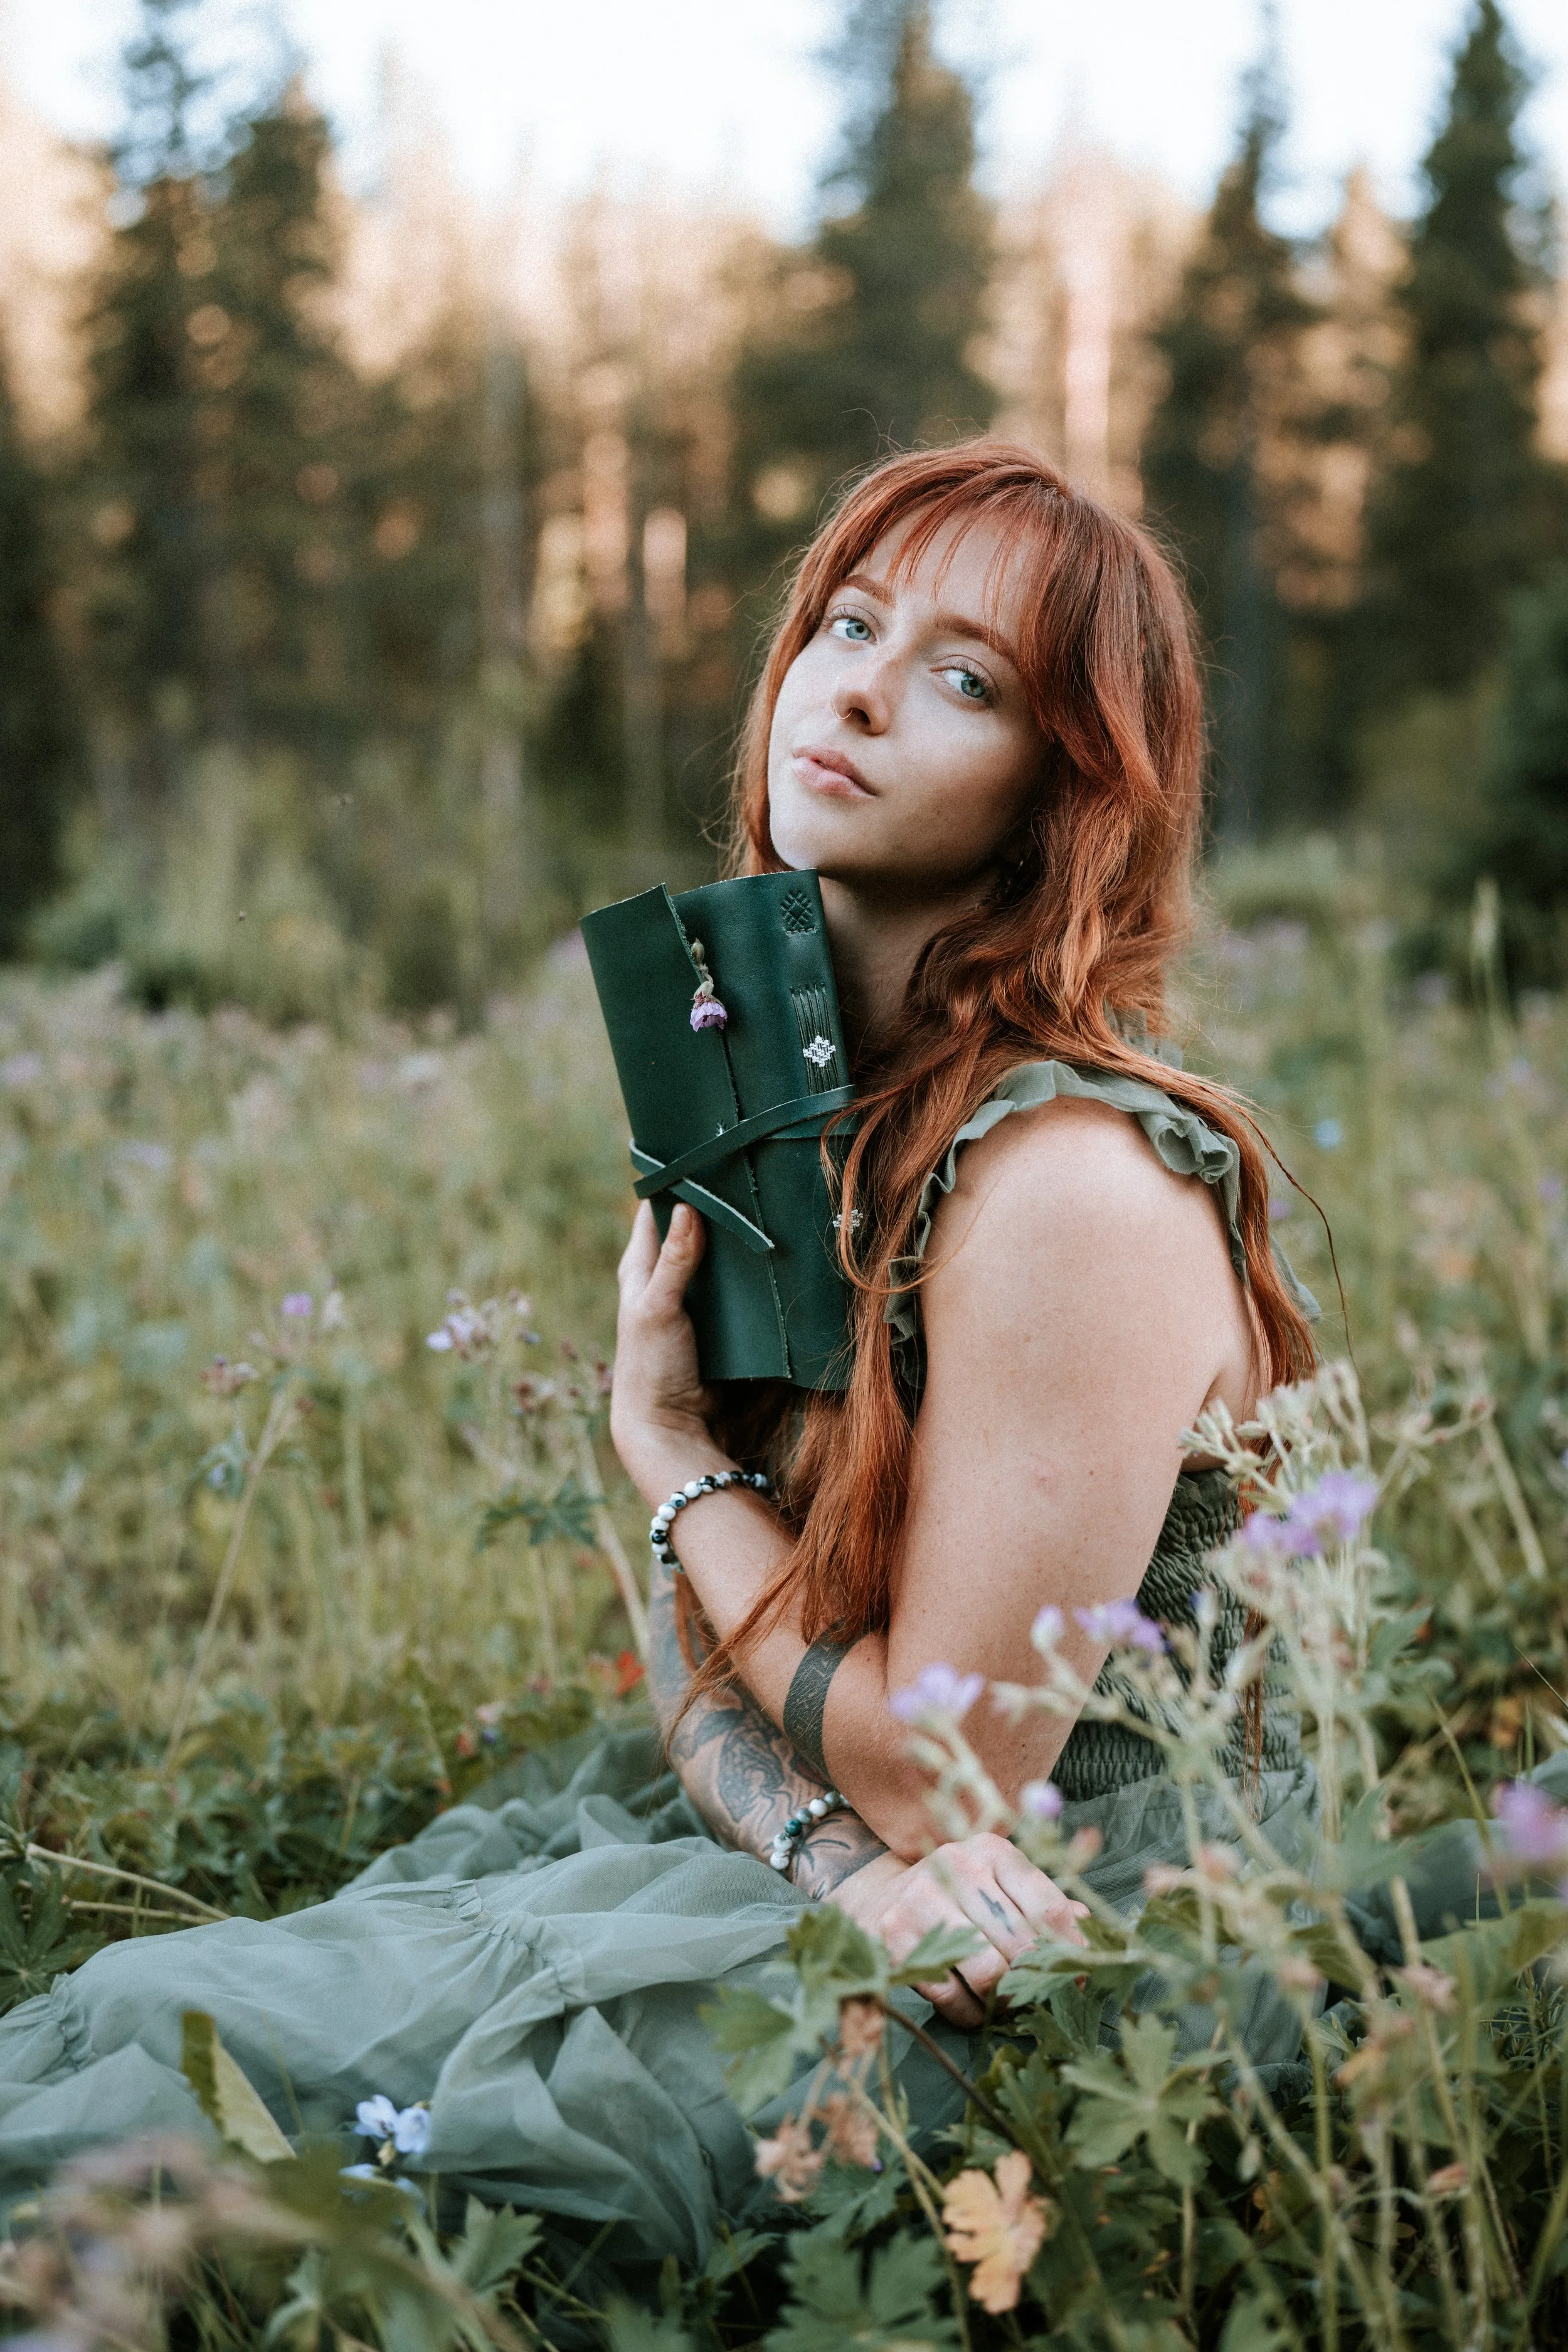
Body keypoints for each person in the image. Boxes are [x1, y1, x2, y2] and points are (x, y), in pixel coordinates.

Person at [0, 443, 1322, 2284]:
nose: (852, 685)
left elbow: (942, 1783)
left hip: (1064, 1976)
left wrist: (666, 1447)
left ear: (1060, 797)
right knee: (137, 2016)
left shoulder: (1066, 1186)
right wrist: (832, 1851)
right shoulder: (797, 1116)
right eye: (844, 624)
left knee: (173, 2112)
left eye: (962, 677)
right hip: (882, 1891)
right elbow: (716, 1683)